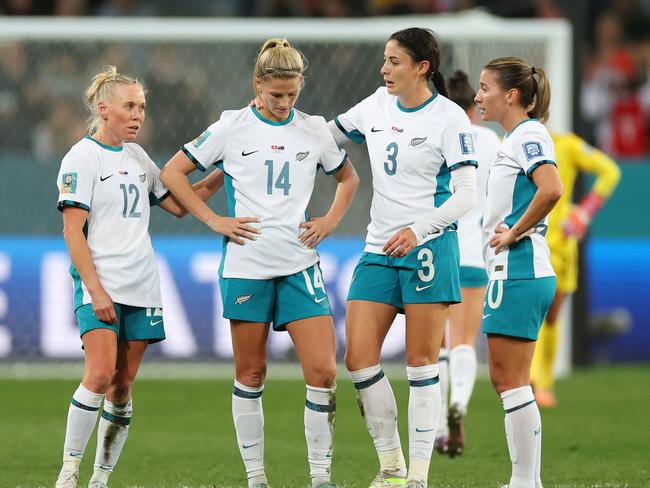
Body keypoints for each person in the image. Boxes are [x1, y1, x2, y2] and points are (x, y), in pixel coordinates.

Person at [159, 38, 359, 488]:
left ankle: (321, 477)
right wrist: (214, 219)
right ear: (257, 84)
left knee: (325, 371)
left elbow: (348, 178)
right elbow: (172, 172)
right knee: (251, 373)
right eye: (276, 95)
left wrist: (329, 220)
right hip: (247, 266)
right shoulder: (231, 127)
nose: (284, 103)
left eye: (292, 95)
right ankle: (256, 478)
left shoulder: (313, 129)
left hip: (300, 265)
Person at [54, 66, 224, 488]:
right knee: (98, 374)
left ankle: (100, 478)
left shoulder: (137, 158)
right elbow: (73, 231)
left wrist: (226, 167)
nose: (138, 115)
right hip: (102, 282)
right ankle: (69, 471)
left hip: (142, 283)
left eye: (142, 107)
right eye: (129, 106)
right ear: (103, 108)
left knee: (122, 385)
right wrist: (94, 288)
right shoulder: (82, 157)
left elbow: (181, 204)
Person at [329, 28, 477, 488]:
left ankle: (416, 478)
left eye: (394, 61)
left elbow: (468, 194)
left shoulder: (450, 118)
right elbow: (325, 138)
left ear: (422, 68)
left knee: (420, 366)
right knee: (358, 358)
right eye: (384, 60)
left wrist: (419, 230)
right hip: (378, 249)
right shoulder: (375, 105)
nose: (384, 69)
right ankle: (390, 464)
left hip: (428, 250)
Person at [475, 57, 563, 488]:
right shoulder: (514, 137)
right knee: (507, 380)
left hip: (521, 268)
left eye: (485, 87)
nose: (478, 96)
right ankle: (523, 480)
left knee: (510, 381)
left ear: (511, 95)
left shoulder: (528, 134)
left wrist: (513, 234)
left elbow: (552, 189)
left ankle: (525, 481)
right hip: (518, 270)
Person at [434, 70, 502, 458]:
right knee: (464, 341)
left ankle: (443, 426)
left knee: (438, 344)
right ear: (473, 105)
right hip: (476, 252)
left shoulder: (438, 135)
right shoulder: (491, 140)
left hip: (439, 250)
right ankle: (459, 402)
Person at [531, 132, 620, 408]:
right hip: (531, 239)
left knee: (553, 316)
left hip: (561, 242)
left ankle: (544, 381)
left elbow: (610, 171)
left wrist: (584, 212)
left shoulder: (566, 145)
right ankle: (534, 383)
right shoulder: (509, 144)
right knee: (536, 312)